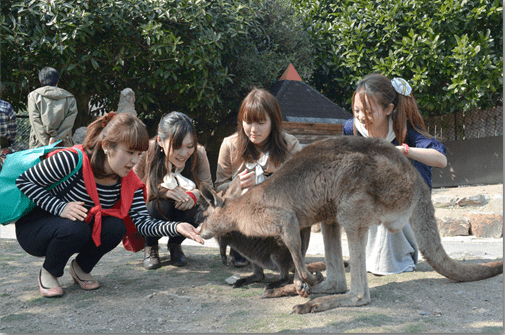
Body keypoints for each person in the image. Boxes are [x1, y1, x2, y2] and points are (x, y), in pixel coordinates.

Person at [15, 112, 203, 298]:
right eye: (129, 152)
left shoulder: (129, 181)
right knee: (76, 227)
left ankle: (81, 269)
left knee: (116, 226)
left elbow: (143, 223)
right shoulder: (72, 160)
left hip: (76, 225)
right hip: (36, 228)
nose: (135, 161)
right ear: (106, 146)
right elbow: (24, 181)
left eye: (139, 154)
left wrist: (176, 227)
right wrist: (61, 207)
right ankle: (49, 272)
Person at [343, 73, 447, 275]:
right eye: (356, 110)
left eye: (369, 111)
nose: (362, 117)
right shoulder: (352, 129)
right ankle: (367, 258)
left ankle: (400, 257)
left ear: (389, 109)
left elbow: (441, 160)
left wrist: (403, 150)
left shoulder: (406, 130)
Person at [215, 88, 303, 267]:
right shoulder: (230, 145)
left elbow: (304, 185)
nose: (253, 130)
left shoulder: (290, 145)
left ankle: (287, 253)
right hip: (242, 216)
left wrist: (271, 178)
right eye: (248, 122)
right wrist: (235, 185)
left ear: (274, 121)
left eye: (261, 122)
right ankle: (240, 249)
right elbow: (218, 187)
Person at [134, 111, 213, 269]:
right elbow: (132, 188)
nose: (184, 153)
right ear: (160, 141)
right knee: (156, 204)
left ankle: (175, 244)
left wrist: (195, 195)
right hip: (154, 210)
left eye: (189, 146)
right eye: (177, 147)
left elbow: (209, 191)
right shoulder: (147, 150)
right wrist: (162, 192)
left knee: (200, 210)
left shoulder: (200, 153)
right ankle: (151, 246)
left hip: (182, 210)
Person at [27, 67, 78, 148]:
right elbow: (69, 123)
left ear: (40, 80)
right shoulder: (69, 98)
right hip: (64, 143)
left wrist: (46, 142)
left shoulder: (33, 96)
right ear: (57, 80)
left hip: (39, 144)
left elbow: (35, 120)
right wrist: (57, 139)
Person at [0, 97, 17, 169]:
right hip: (3, 144)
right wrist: (10, 142)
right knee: (7, 170)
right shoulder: (6, 106)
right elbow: (13, 130)